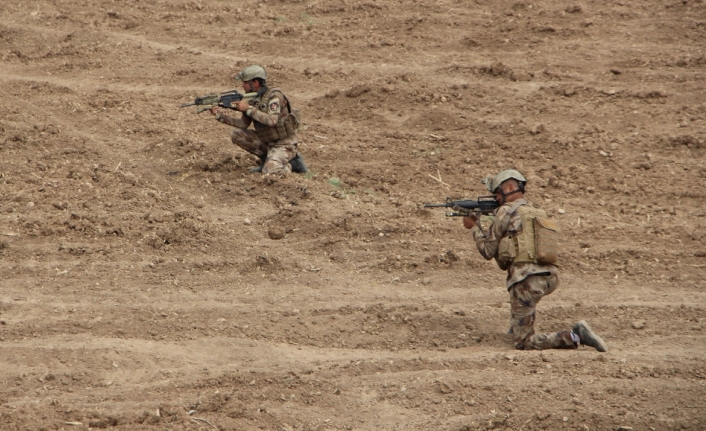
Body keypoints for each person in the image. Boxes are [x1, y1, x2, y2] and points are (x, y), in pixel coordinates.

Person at [462, 169, 608, 352]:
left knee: (524, 342)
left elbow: (487, 251)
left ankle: (574, 335)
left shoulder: (505, 211)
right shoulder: (536, 212)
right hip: (548, 278)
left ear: (508, 188)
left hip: (527, 282)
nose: (496, 199)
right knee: (523, 306)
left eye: (497, 194)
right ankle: (518, 325)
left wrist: (474, 227)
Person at [208, 65, 307, 174]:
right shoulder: (251, 98)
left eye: (245, 82)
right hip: (267, 142)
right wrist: (219, 116)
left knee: (270, 172)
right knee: (237, 134)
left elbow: (272, 121)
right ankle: (267, 160)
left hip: (283, 144)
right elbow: (242, 124)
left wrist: (249, 109)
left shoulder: (274, 96)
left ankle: (291, 164)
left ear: (255, 83)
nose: (242, 85)